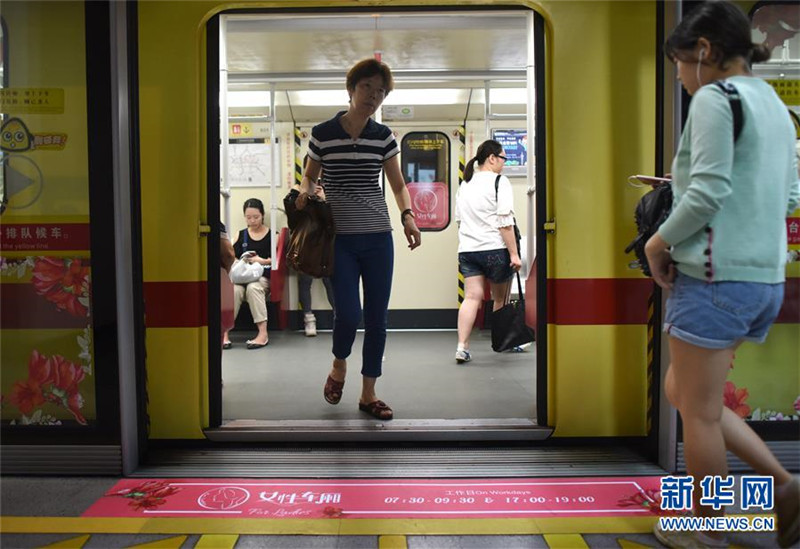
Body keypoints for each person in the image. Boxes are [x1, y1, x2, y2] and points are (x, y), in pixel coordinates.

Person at [644, 2, 800, 547]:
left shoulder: (717, 97)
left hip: (713, 280)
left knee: (701, 415)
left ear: (704, 52)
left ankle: (703, 528)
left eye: (682, 66)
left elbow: (708, 193)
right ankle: (783, 484)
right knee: (683, 393)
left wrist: (657, 241)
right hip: (762, 281)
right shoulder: (775, 107)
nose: (683, 81)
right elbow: (789, 194)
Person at [297, 58, 422, 420]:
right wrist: (307, 192)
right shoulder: (323, 133)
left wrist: (408, 216)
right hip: (341, 240)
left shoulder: (383, 137)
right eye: (367, 87)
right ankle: (339, 366)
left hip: (379, 238)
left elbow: (397, 184)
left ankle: (369, 394)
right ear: (352, 89)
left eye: (381, 91)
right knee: (348, 314)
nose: (374, 96)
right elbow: (309, 176)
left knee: (377, 318)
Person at [454, 139, 522, 364]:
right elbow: (505, 221)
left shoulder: (465, 184)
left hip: (468, 250)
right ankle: (503, 342)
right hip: (494, 249)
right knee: (499, 299)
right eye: (503, 158)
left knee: (471, 298)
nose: (504, 163)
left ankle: (462, 347)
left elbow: (459, 220)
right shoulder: (499, 182)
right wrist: (513, 254)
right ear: (492, 158)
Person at [284, 161, 335, 337]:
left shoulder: (331, 188)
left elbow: (333, 220)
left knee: (331, 282)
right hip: (306, 242)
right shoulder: (298, 189)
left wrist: (323, 200)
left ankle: (339, 317)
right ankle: (308, 317)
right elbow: (292, 220)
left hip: (327, 242)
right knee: (304, 282)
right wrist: (300, 198)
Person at [223, 198, 272, 350]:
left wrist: (259, 261)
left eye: (256, 217)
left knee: (253, 288)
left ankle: (262, 334)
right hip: (242, 277)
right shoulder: (241, 235)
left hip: (262, 277)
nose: (252, 221)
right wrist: (243, 261)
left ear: (262, 215)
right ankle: (224, 333)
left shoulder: (272, 235)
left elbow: (275, 259)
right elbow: (232, 256)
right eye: (248, 217)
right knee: (234, 290)